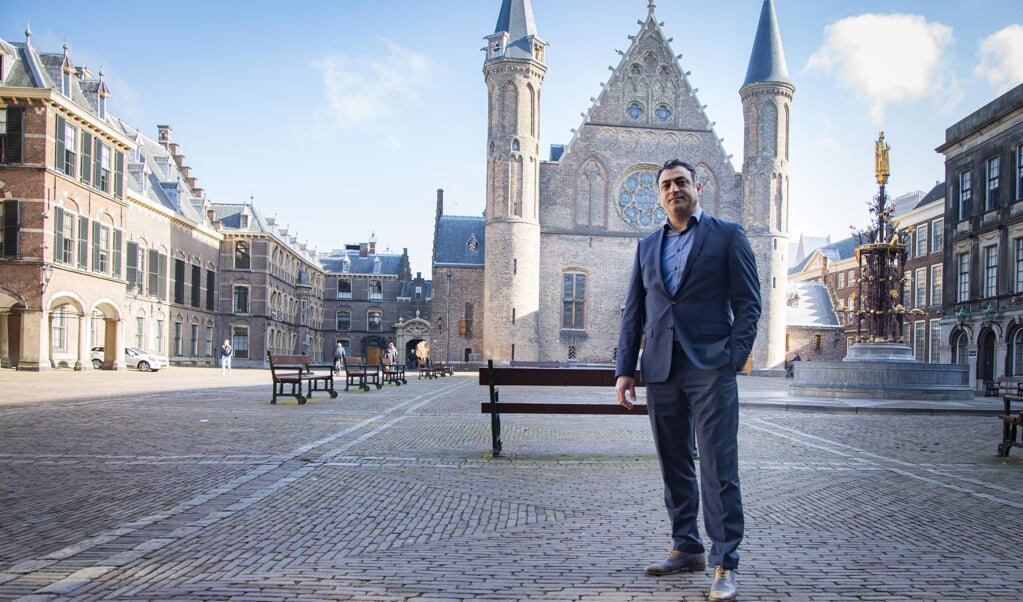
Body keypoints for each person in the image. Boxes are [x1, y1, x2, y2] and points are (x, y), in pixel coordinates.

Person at [614, 159, 761, 602]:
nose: (673, 189)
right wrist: (625, 368)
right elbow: (633, 312)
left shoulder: (727, 235)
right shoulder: (646, 246)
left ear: (697, 187)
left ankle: (724, 563)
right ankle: (686, 546)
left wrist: (731, 359)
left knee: (719, 468)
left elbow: (749, 304)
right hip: (660, 368)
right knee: (673, 462)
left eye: (681, 182)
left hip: (710, 367)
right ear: (659, 195)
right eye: (665, 185)